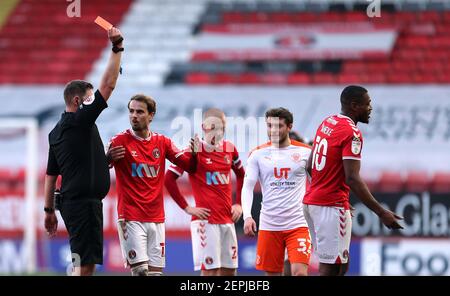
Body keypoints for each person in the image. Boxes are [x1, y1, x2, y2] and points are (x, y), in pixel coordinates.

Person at [43, 27, 124, 276]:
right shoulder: (80, 120)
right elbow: (108, 85)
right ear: (78, 102)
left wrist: (48, 212)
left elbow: (51, 174)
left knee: (81, 262)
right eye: (89, 99)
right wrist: (117, 47)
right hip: (82, 205)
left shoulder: (57, 132)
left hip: (71, 204)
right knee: (85, 266)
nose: (93, 102)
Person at [303, 85, 403, 276]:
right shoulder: (352, 133)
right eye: (368, 104)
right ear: (355, 106)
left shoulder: (327, 122)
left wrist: (328, 191)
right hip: (330, 206)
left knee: (341, 264)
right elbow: (352, 178)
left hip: (312, 203)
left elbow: (309, 166)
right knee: (329, 269)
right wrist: (381, 212)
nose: (371, 108)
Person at [106, 94, 197, 276]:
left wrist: (194, 155)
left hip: (156, 218)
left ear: (151, 115)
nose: (134, 115)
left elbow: (188, 166)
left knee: (155, 274)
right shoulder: (119, 141)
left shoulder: (162, 142)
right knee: (140, 271)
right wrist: (106, 160)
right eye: (131, 111)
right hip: (130, 217)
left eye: (140, 112)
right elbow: (98, 169)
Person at [164, 108, 245, 276]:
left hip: (227, 220)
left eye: (221, 127)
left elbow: (242, 175)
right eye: (213, 126)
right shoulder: (192, 151)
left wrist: (239, 204)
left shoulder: (230, 149)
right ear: (204, 127)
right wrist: (187, 208)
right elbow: (168, 179)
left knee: (230, 271)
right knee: (210, 271)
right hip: (205, 221)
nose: (217, 131)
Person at [242, 108, 312, 276]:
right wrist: (247, 216)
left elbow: (318, 183)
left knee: (299, 273)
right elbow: (248, 186)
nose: (273, 130)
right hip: (269, 224)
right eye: (269, 126)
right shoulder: (257, 154)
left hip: (298, 224)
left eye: (278, 126)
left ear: (289, 127)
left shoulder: (306, 152)